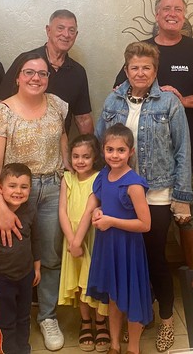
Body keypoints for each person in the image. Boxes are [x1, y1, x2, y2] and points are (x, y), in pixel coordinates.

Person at [114, 0, 193, 289]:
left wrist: (181, 101)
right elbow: (119, 94)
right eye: (166, 8)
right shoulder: (143, 51)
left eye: (177, 8)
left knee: (189, 219)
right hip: (145, 161)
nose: (172, 13)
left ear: (184, 15)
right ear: (157, 14)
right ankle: (151, 280)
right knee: (150, 222)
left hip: (188, 155)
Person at [100, 41, 191, 352]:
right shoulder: (113, 100)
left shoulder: (169, 102)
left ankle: (166, 319)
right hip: (121, 193)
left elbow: (183, 150)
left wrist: (182, 197)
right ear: (126, 70)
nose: (140, 73)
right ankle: (140, 315)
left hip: (156, 193)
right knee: (128, 260)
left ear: (155, 70)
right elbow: (101, 141)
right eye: (134, 67)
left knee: (154, 259)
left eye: (146, 67)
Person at [0, 52, 69, 351]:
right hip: (18, 196)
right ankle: (10, 319)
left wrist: (68, 170)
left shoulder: (57, 105)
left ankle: (47, 316)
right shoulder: (1, 113)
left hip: (54, 188)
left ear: (48, 78)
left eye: (42, 73)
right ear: (18, 77)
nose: (36, 78)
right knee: (13, 256)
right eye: (29, 72)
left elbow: (62, 139)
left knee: (50, 254)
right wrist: (1, 208)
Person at [73, 123, 152, 354]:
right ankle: (115, 345)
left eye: (120, 150)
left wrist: (111, 221)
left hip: (128, 249)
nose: (114, 155)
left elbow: (145, 224)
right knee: (114, 298)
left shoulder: (134, 184)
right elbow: (100, 205)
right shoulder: (103, 176)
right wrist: (98, 213)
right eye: (110, 150)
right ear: (103, 150)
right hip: (107, 247)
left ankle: (133, 348)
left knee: (133, 297)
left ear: (131, 152)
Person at [0, 163, 41, 354]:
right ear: (0, 188)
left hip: (26, 277)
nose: (18, 191)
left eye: (24, 187)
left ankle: (23, 349)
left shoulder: (30, 210)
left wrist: (36, 267)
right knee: (6, 322)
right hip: (1, 281)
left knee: (24, 317)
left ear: (30, 189)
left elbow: (36, 239)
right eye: (12, 186)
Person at [0, 9, 93, 133]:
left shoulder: (78, 72)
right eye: (60, 28)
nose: (66, 34)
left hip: (58, 140)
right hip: (21, 138)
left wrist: (92, 144)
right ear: (48, 30)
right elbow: (2, 105)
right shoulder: (26, 62)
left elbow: (83, 118)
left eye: (71, 30)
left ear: (76, 35)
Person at [58, 134, 108, 352]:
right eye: (76, 156)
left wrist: (78, 241)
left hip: (91, 238)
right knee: (80, 283)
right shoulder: (67, 179)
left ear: (94, 157)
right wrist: (71, 241)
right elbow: (62, 211)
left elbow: (90, 210)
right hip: (71, 240)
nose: (80, 161)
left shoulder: (99, 178)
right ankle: (86, 322)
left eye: (86, 157)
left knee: (93, 281)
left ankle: (101, 322)